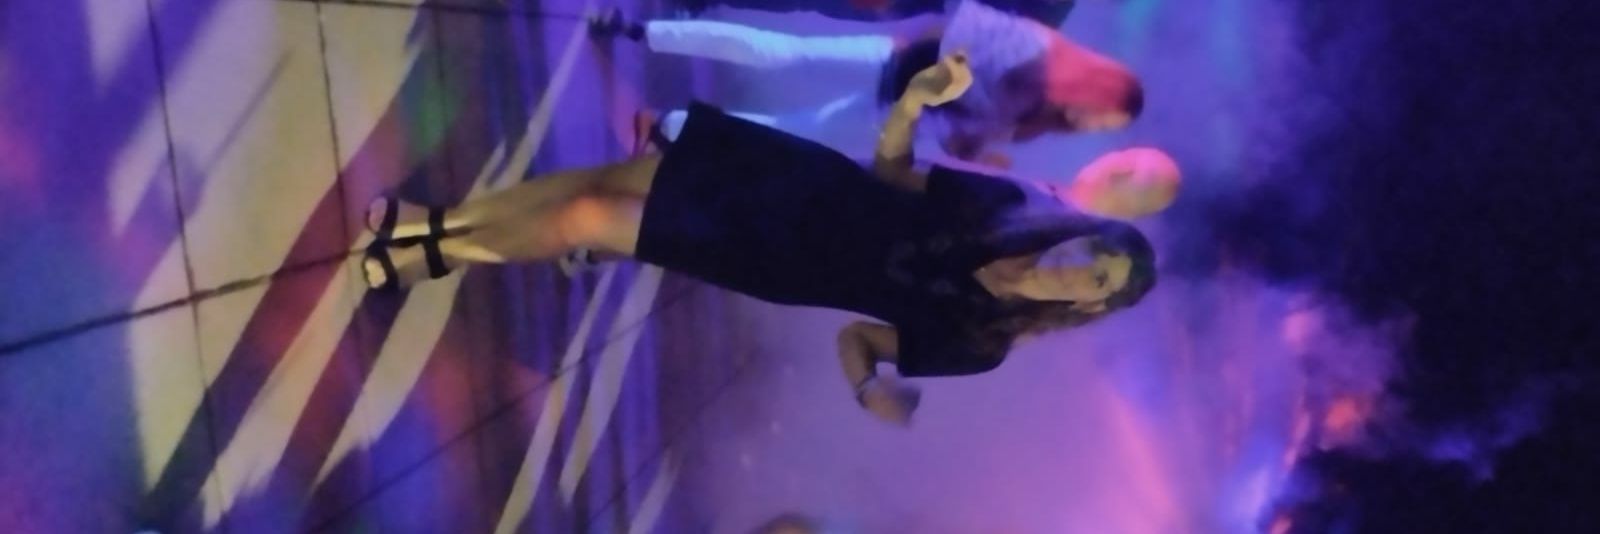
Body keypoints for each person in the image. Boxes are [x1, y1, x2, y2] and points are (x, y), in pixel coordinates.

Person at [361, 53, 1167, 425]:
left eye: (1096, 281)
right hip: (797, 179)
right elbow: (891, 172)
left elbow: (859, 339)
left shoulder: (980, 343)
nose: (1078, 270)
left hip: (774, 257)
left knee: (588, 219)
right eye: (1091, 251)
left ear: (1089, 308)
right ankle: (434, 238)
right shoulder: (999, 207)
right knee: (598, 184)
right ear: (1078, 233)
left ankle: (437, 241)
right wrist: (913, 102)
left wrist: (870, 392)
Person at [592, 0, 1141, 164]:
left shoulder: (1040, 114)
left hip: (898, 110)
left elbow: (963, 137)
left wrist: (976, 147)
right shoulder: (1041, 52)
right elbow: (962, 25)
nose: (1094, 125)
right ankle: (646, 39)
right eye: (1103, 115)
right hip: (895, 71)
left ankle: (667, 124)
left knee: (789, 127)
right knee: (781, 61)